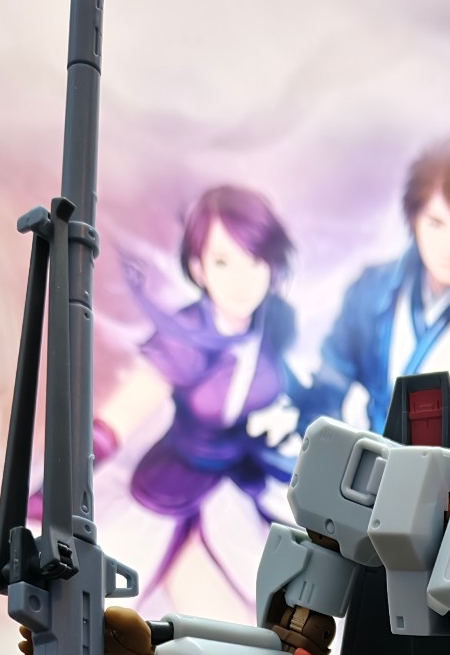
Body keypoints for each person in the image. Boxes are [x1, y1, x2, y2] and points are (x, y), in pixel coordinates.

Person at [96, 185, 299, 608]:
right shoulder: (183, 336)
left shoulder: (276, 322)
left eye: (254, 260)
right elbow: (121, 415)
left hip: (247, 479)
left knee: (290, 605)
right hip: (177, 481)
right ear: (198, 267)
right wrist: (67, 479)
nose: (242, 280)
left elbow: (289, 389)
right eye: (223, 261)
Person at [296, 138, 450, 449]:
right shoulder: (371, 290)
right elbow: (328, 385)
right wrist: (331, 454)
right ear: (414, 219)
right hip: (373, 465)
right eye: (436, 223)